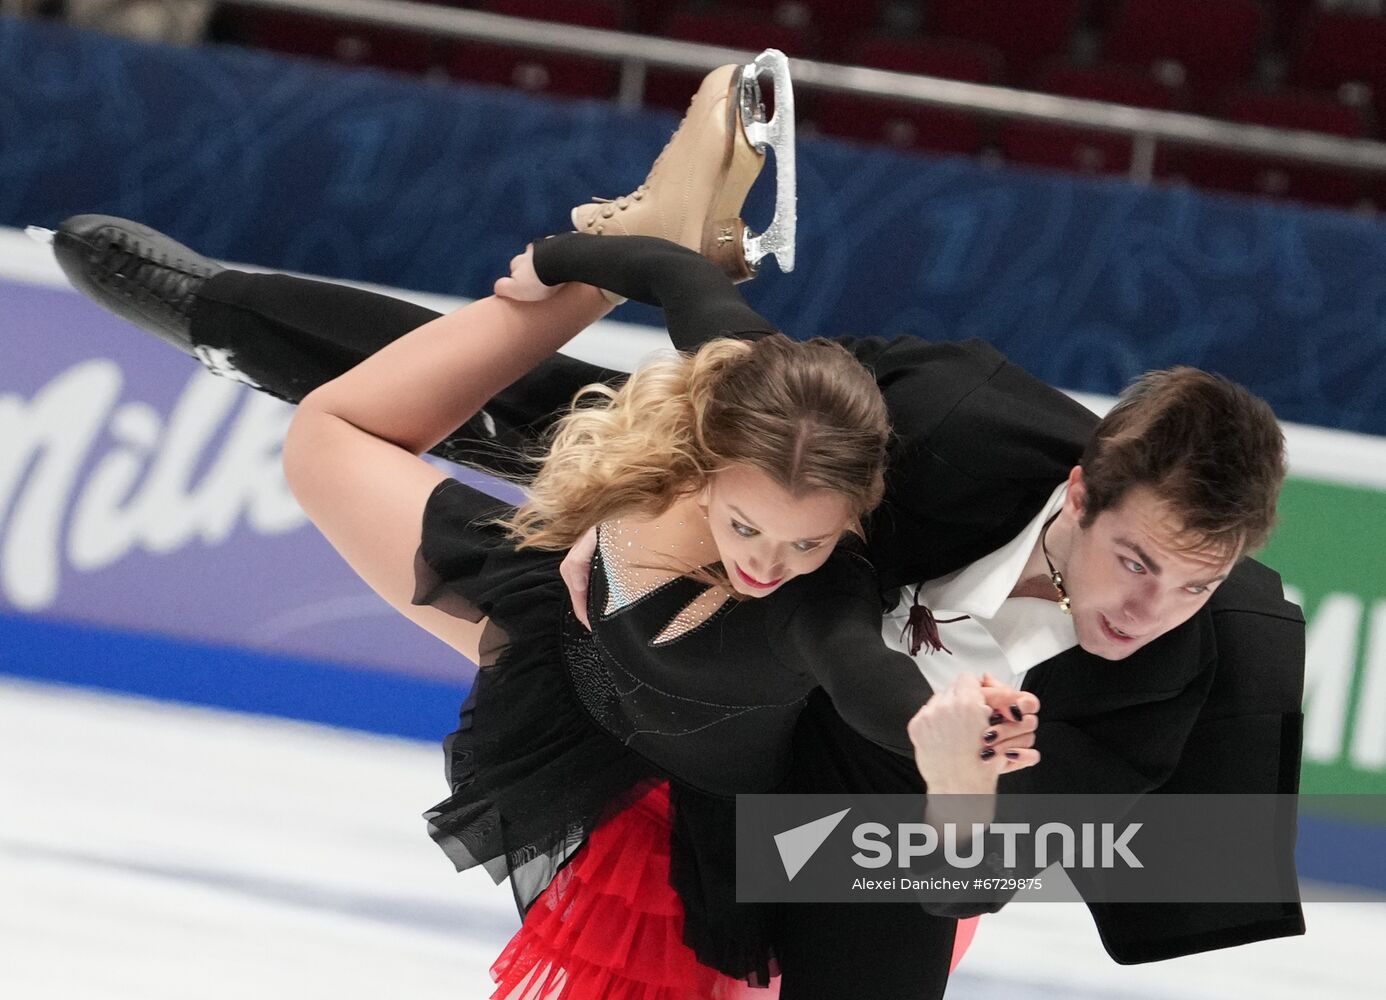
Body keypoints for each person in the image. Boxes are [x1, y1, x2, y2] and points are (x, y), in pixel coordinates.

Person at [48, 64, 1304, 1000]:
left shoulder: (1190, 673)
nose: (1149, 609)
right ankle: (226, 312)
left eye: (1196, 584)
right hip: (744, 600)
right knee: (596, 437)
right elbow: (752, 396)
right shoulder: (955, 421)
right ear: (1083, 491)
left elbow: (956, 872)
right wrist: (593, 264)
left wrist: (951, 774)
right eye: (1137, 561)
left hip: (865, 806)